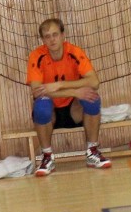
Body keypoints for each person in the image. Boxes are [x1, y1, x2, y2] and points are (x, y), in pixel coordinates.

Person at [26, 18, 111, 176]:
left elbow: (94, 82)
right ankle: (47, 157)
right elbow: (37, 91)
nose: (52, 40)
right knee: (41, 106)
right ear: (43, 40)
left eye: (55, 35)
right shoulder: (37, 56)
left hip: (73, 110)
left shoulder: (74, 52)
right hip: (50, 112)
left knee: (92, 97)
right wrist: (74, 92)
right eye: (47, 36)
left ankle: (92, 151)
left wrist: (60, 85)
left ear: (63, 35)